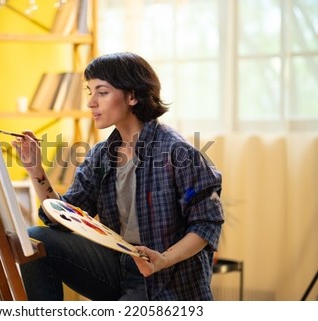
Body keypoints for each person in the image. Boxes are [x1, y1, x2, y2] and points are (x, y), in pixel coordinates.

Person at [12, 52, 224, 301]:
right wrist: (35, 169)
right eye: (90, 92)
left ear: (132, 96)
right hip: (119, 269)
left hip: (165, 279)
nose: (91, 102)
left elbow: (206, 222)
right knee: (35, 239)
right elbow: (62, 218)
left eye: (101, 92)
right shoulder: (102, 156)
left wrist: (162, 260)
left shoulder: (176, 152)